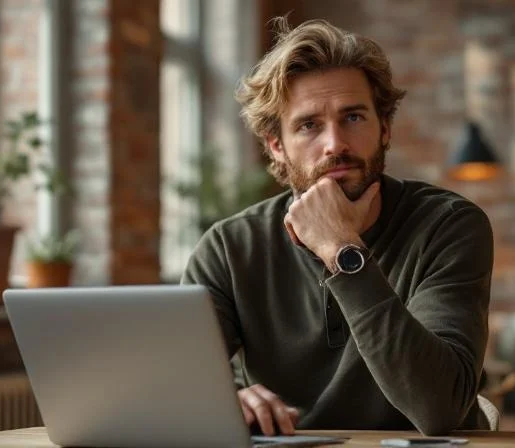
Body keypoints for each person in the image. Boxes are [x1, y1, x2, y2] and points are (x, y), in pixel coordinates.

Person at [181, 17, 494, 436]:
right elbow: (174, 390)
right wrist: (217, 405)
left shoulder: (449, 226)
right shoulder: (229, 247)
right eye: (309, 125)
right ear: (277, 144)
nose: (335, 144)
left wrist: (342, 249)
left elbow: (440, 411)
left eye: (353, 118)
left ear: (384, 128)